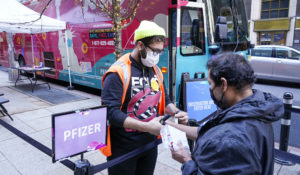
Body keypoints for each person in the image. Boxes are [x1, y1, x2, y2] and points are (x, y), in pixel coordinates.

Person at [167, 53, 284, 175]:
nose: (210, 90)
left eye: (210, 84)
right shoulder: (255, 109)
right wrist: (168, 126)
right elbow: (208, 133)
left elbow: (220, 138)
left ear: (223, 84)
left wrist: (186, 160)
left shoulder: (229, 140)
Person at [101, 20, 188, 175]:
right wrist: (146, 126)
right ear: (140, 45)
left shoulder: (156, 71)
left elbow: (165, 100)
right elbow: (110, 113)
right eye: (154, 51)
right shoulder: (118, 72)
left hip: (149, 144)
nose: (157, 56)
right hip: (123, 148)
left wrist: (176, 112)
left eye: (160, 52)